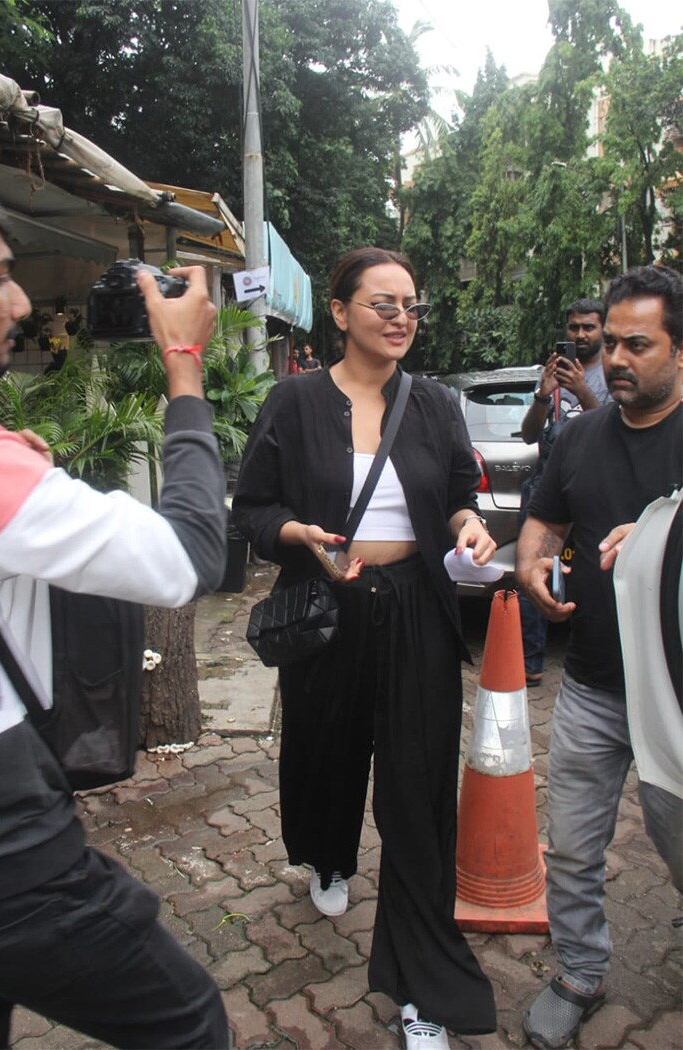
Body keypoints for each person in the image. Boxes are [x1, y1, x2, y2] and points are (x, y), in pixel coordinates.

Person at [0, 186, 230, 1050]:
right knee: (190, 1022)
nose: (20, 304)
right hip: (6, 855)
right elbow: (192, 556)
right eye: (0, 277)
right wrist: (185, 360)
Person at [232, 247, 497, 1049]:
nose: (400, 318)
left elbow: (455, 498)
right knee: (325, 754)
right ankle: (327, 855)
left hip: (416, 605)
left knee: (416, 792)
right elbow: (253, 508)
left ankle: (422, 988)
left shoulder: (438, 405)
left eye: (411, 305)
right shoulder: (294, 400)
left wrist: (470, 526)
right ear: (340, 313)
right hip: (327, 605)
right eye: (383, 303)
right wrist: (295, 535)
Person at [515, 265, 683, 1050]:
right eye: (610, 343)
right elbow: (544, 519)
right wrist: (530, 566)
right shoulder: (579, 436)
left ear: (680, 351)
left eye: (638, 344)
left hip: (678, 701)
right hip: (590, 687)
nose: (616, 358)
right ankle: (580, 972)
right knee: (575, 847)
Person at [518, 298, 611, 685]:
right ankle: (530, 662)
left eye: (588, 327)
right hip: (548, 487)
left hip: (595, 490)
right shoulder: (551, 374)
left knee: (591, 574)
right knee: (535, 573)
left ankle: (590, 662)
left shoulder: (612, 374)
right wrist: (543, 394)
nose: (580, 335)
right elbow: (527, 434)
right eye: (574, 328)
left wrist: (583, 392)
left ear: (603, 329)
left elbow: (614, 431)